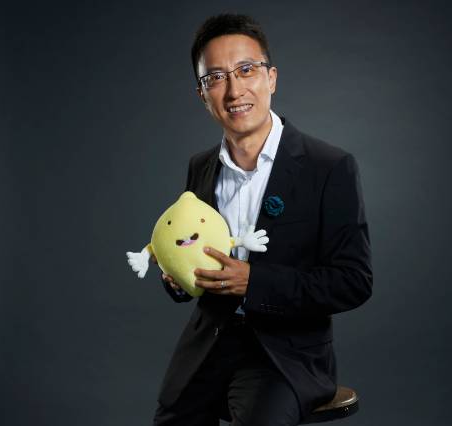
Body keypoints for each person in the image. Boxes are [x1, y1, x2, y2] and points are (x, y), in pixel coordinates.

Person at [151, 13, 373, 426]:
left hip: (285, 355)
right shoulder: (200, 167)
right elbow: (192, 257)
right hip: (210, 343)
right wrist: (177, 277)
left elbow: (353, 281)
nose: (234, 90)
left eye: (246, 70)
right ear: (202, 94)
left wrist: (255, 282)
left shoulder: (330, 167)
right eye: (215, 77)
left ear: (271, 78)